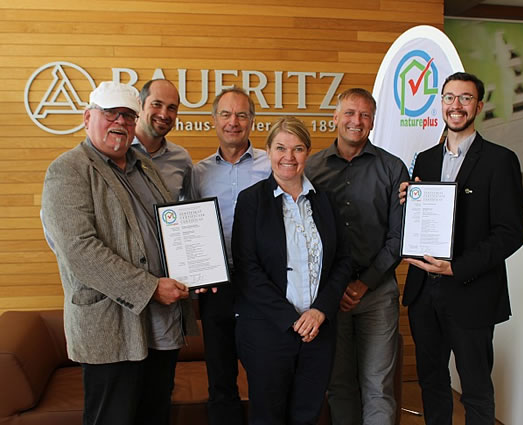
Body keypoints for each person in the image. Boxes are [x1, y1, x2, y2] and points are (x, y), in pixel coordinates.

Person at [41, 81, 198, 425]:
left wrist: (199, 271)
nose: (119, 122)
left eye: (128, 116)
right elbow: (79, 249)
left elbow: (168, 230)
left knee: (154, 415)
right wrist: (150, 288)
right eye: (110, 113)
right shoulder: (68, 169)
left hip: (161, 324)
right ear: (87, 117)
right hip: (111, 328)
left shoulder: (144, 165)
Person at [399, 72, 523, 425]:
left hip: (472, 290)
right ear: (440, 103)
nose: (456, 105)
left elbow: (509, 233)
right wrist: (407, 202)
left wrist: (457, 267)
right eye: (450, 97)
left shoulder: (500, 160)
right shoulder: (423, 159)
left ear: (479, 106)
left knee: (475, 388)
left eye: (465, 98)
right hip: (424, 291)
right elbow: (421, 221)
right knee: (432, 382)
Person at [232, 116, 352, 425]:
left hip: (318, 331)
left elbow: (343, 261)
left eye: (297, 148)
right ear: (268, 151)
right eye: (281, 148)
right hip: (268, 331)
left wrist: (319, 311)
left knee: (307, 414)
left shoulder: (326, 201)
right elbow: (248, 269)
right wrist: (292, 319)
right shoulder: (251, 201)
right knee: (267, 417)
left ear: (308, 153)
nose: (289, 157)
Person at [306, 87, 409, 425]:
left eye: (365, 115)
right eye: (349, 113)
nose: (356, 121)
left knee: (378, 386)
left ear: (373, 122)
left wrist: (365, 283)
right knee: (338, 385)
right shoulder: (312, 169)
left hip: (377, 293)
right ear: (334, 118)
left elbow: (398, 237)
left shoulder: (393, 169)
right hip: (330, 295)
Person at [191, 86, 270, 425]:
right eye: (225, 114)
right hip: (216, 285)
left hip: (263, 285)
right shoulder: (198, 173)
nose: (233, 122)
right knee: (221, 379)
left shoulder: (274, 164)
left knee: (267, 374)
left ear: (252, 121)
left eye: (241, 115)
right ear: (214, 121)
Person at [131, 79, 193, 201]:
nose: (163, 114)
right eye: (157, 104)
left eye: (171, 108)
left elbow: (188, 207)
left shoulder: (181, 159)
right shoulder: (118, 152)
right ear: (139, 104)